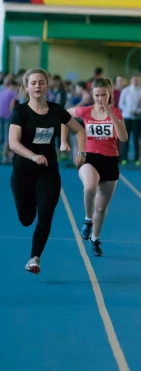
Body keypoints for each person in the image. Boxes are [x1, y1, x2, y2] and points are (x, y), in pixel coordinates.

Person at [8, 68, 86, 273]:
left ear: (47, 85)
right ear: (26, 86)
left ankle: (34, 258)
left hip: (48, 171)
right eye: (33, 83)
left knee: (46, 214)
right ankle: (33, 198)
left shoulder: (56, 110)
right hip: (23, 171)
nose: (37, 86)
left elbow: (80, 130)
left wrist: (80, 152)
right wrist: (33, 156)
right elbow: (13, 143)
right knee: (26, 219)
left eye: (41, 82)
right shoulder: (20, 112)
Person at [64, 78, 128, 257]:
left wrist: (111, 114)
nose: (100, 98)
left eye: (104, 95)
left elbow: (123, 138)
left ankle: (95, 238)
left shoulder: (116, 112)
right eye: (97, 95)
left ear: (109, 94)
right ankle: (87, 220)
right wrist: (64, 140)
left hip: (110, 160)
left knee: (101, 207)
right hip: (89, 157)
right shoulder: (85, 111)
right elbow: (64, 115)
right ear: (92, 95)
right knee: (90, 187)